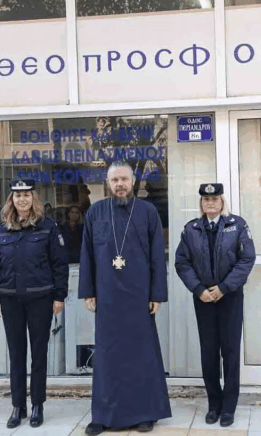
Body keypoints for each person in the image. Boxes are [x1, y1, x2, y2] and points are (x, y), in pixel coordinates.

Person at [79, 161, 171, 435]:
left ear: (132, 182)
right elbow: (87, 254)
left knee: (141, 354)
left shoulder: (147, 212)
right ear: (108, 183)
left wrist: (157, 293)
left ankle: (144, 413)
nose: (120, 184)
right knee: (107, 356)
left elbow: (157, 255)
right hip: (107, 294)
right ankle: (103, 415)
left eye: (124, 179)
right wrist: (88, 291)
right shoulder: (95, 212)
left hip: (139, 295)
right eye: (114, 180)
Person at [0, 179, 69, 428]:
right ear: (11, 200)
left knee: (39, 354)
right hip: (10, 298)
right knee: (16, 354)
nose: (22, 199)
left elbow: (59, 264)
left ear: (34, 199)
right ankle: (17, 405)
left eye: (26, 195)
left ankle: (37, 405)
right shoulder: (1, 230)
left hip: (40, 298)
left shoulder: (47, 227)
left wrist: (59, 296)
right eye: (17, 195)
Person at [175, 183, 256, 428]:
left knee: (230, 351)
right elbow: (182, 262)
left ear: (222, 202)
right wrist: (199, 289)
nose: (210, 203)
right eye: (205, 199)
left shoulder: (237, 225)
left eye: (214, 199)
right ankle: (214, 404)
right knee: (209, 353)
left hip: (229, 296)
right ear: (201, 204)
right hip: (204, 298)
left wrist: (224, 287)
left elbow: (246, 259)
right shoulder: (191, 229)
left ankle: (229, 406)